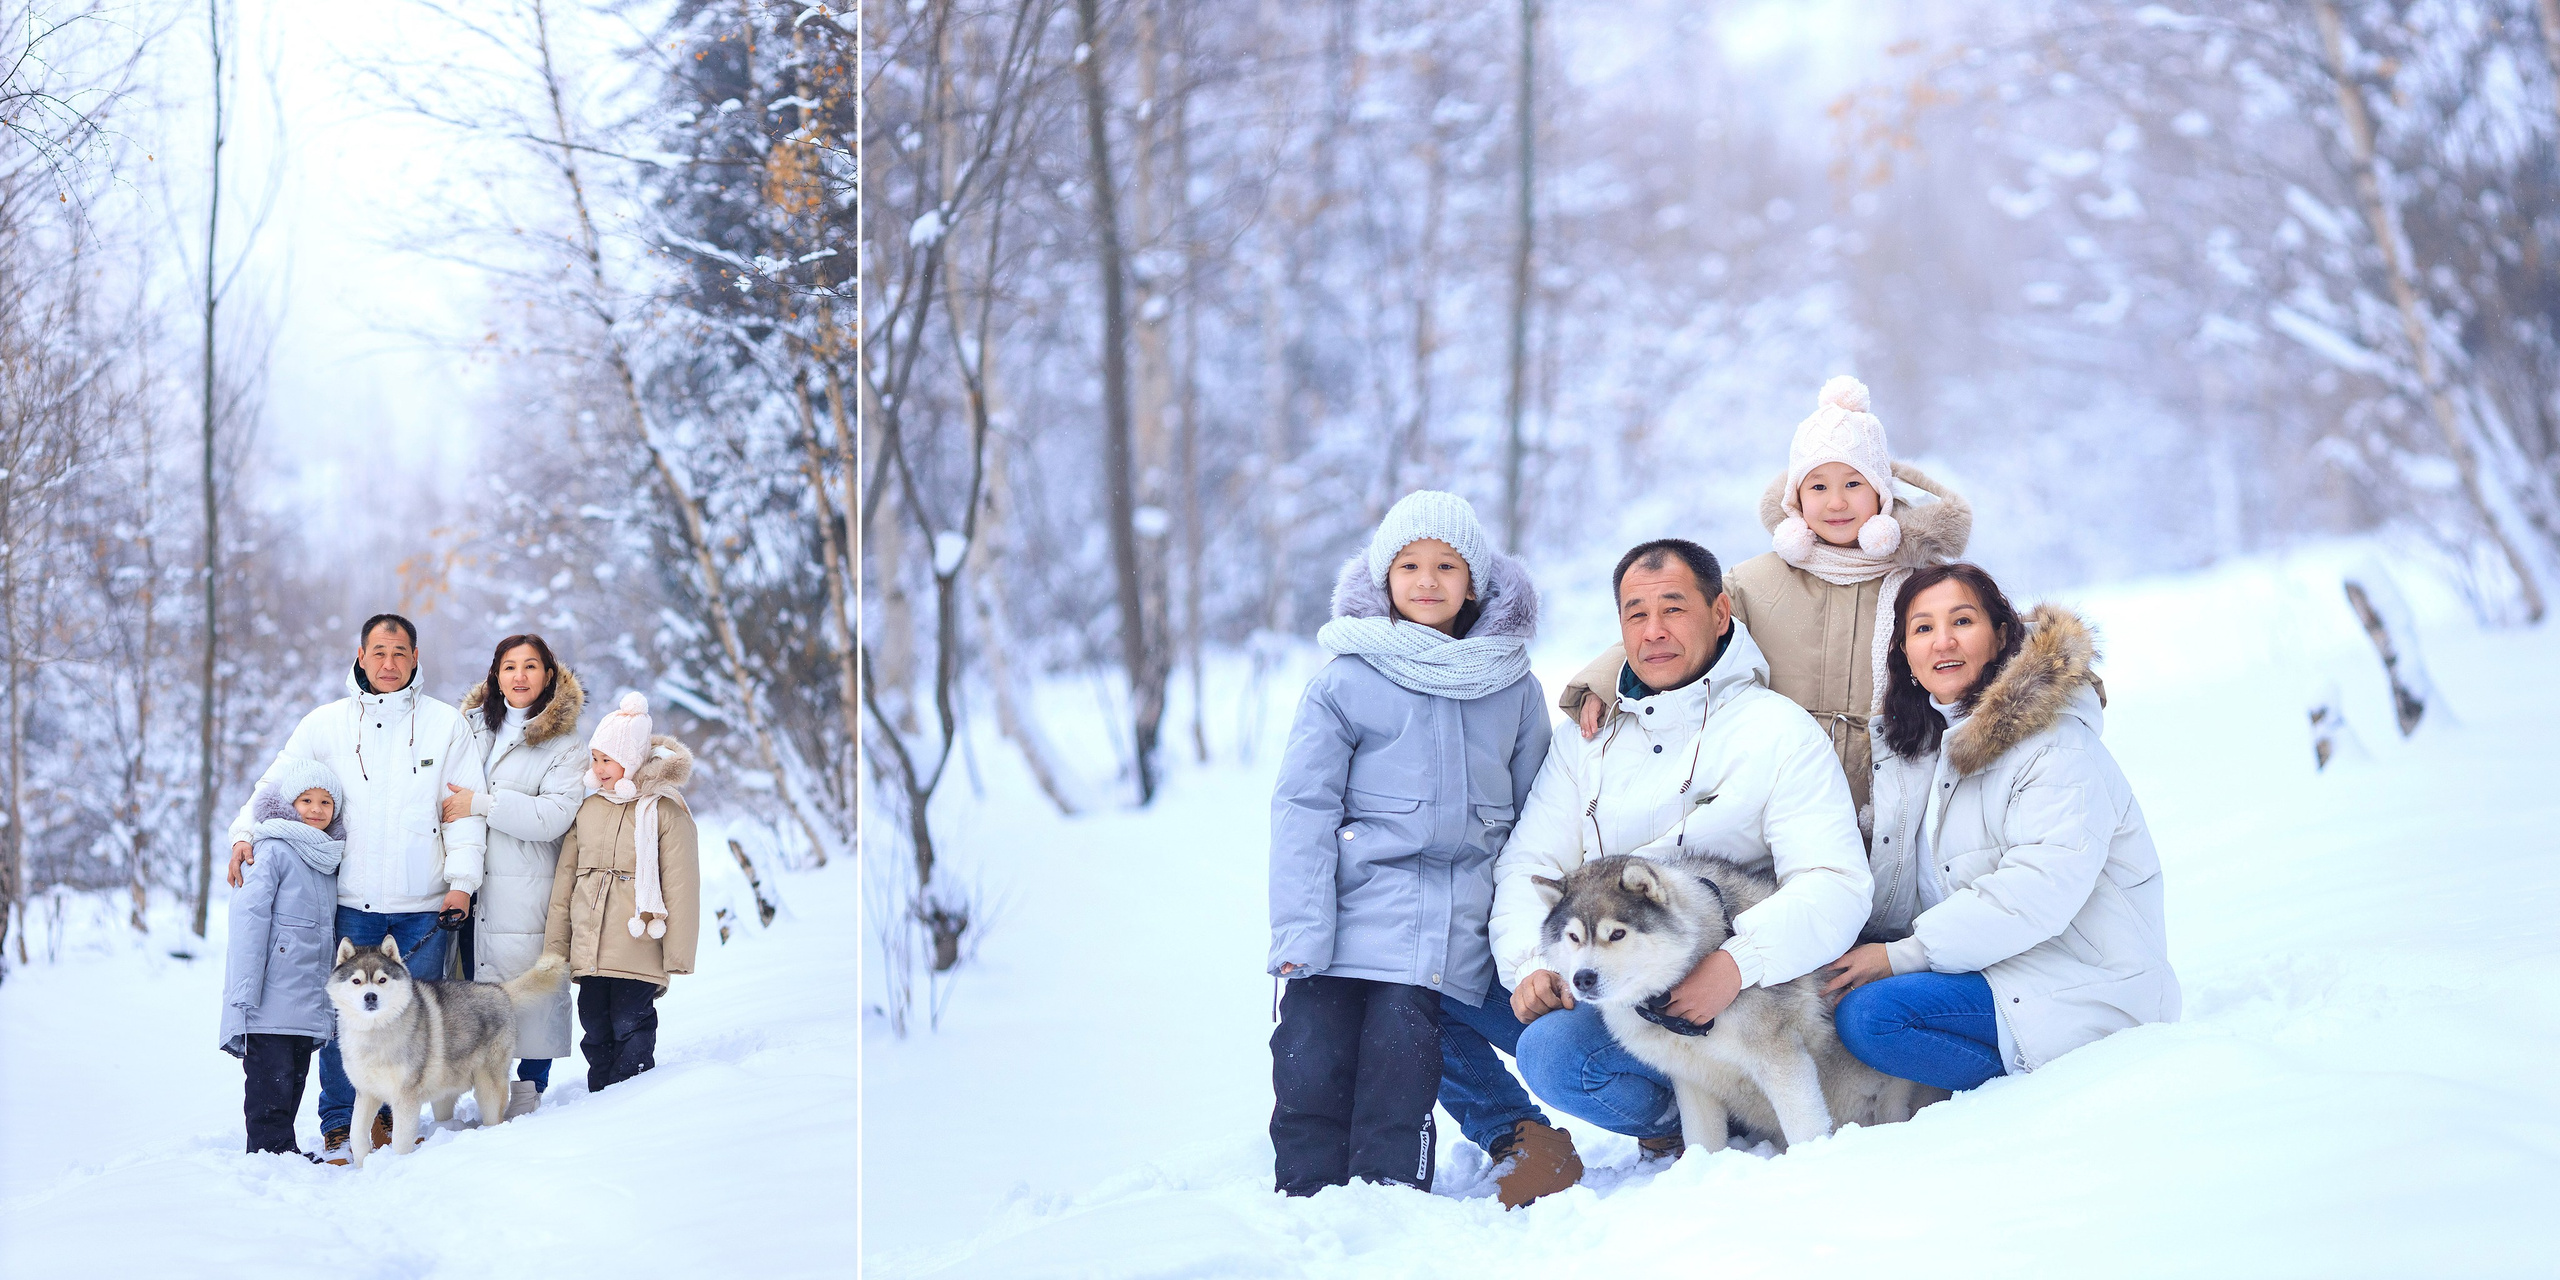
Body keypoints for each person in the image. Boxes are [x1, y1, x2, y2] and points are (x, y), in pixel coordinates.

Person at [1489, 538, 1870, 1160]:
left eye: (1674, 608)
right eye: (1637, 614)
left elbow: (1834, 881)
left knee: (1555, 1053)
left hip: (1741, 993)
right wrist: (1532, 963)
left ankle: (1743, 1107)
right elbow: (1530, 864)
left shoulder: (1775, 731)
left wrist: (1739, 963)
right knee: (1431, 984)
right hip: (1604, 966)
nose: (1655, 631)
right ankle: (1670, 1117)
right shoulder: (1587, 736)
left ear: (1720, 615)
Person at [1266, 491, 1575, 1205]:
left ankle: (1389, 1201)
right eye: (1409, 565)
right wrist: (1300, 932)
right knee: (1309, 1062)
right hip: (1347, 921)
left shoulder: (1512, 687)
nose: (1427, 580)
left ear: (1475, 583)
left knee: (1399, 1069)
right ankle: (1303, 1204)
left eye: (1446, 565)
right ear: (1383, 578)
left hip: (1448, 930)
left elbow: (1538, 821)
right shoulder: (1345, 680)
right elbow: (1302, 810)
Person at [1820, 563, 2178, 1089]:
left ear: (2001, 636)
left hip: (2081, 980)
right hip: (1988, 963)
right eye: (1922, 629)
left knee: (1873, 1017)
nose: (1943, 642)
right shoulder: (1924, 747)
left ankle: (2017, 1099)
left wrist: (1900, 957)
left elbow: (2038, 889)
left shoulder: (2054, 744)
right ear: (1905, 656)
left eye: (1962, 621)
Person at [1553, 376, 1971, 817]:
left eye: (1853, 484)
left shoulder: (1918, 584)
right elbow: (1675, 623)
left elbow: (1975, 635)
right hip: (1782, 785)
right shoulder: (1758, 581)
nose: (1836, 503)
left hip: (1894, 788)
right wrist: (1603, 682)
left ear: (1881, 494)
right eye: (1818, 487)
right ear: (1796, 497)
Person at [225, 613, 488, 1161]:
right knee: (347, 1020)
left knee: (410, 1021)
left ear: (415, 657)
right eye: (378, 652)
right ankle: (341, 1126)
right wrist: (244, 833)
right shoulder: (326, 724)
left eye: (399, 652)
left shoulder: (446, 726)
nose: (388, 664)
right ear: (361, 656)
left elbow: (464, 814)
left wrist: (462, 883)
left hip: (425, 906)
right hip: (349, 902)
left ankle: (395, 1125)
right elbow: (275, 783)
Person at [442, 634, 586, 1119]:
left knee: (529, 991)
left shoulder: (565, 746)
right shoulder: (468, 730)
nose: (519, 676)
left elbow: (554, 817)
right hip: (466, 883)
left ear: (548, 675)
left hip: (524, 888)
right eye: (509, 667)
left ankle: (528, 1090)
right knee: (469, 989)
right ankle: (479, 1088)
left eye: (530, 666)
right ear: (495, 675)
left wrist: (480, 804)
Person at [542, 692, 699, 1093]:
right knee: (594, 1024)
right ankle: (601, 1098)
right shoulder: (589, 809)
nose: (598, 768)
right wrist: (557, 947)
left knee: (630, 1021)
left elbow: (681, 885)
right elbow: (566, 882)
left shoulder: (664, 811)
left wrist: (677, 954)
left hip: (640, 940)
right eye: (595, 759)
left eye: (607, 759)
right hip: (591, 944)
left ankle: (630, 1097)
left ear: (631, 760)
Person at [219, 761, 349, 1160]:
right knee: (268, 1082)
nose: (316, 808)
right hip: (269, 993)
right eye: (306, 800)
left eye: (326, 802)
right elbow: (249, 918)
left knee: (293, 1078)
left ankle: (282, 1149)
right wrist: (244, 990)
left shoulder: (325, 857)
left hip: (305, 994)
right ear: (289, 805)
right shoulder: (271, 848)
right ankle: (267, 1152)